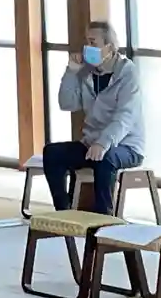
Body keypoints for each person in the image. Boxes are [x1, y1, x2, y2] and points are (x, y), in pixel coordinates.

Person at [39, 20, 143, 213]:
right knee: (52, 153)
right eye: (86, 42)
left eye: (93, 42)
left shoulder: (127, 73)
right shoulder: (86, 72)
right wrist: (71, 72)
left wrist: (103, 143)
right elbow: (67, 104)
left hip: (125, 146)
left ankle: (104, 218)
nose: (87, 47)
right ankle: (64, 211)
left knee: (106, 159)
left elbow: (126, 116)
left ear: (109, 47)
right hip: (91, 145)